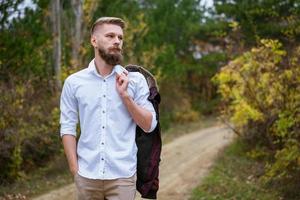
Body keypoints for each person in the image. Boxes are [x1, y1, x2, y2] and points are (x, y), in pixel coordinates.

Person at [59, 17, 157, 200]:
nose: (117, 41)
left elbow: (149, 125)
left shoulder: (135, 81)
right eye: (110, 36)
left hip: (122, 176)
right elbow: (67, 126)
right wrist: (75, 170)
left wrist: (126, 96)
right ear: (93, 41)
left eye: (120, 37)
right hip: (86, 176)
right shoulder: (74, 82)